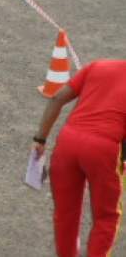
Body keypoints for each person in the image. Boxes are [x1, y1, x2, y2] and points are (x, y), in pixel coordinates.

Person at [32, 59, 126, 257]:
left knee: (65, 213)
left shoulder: (98, 66)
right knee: (106, 217)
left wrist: (40, 139)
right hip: (105, 149)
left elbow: (57, 98)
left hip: (68, 142)